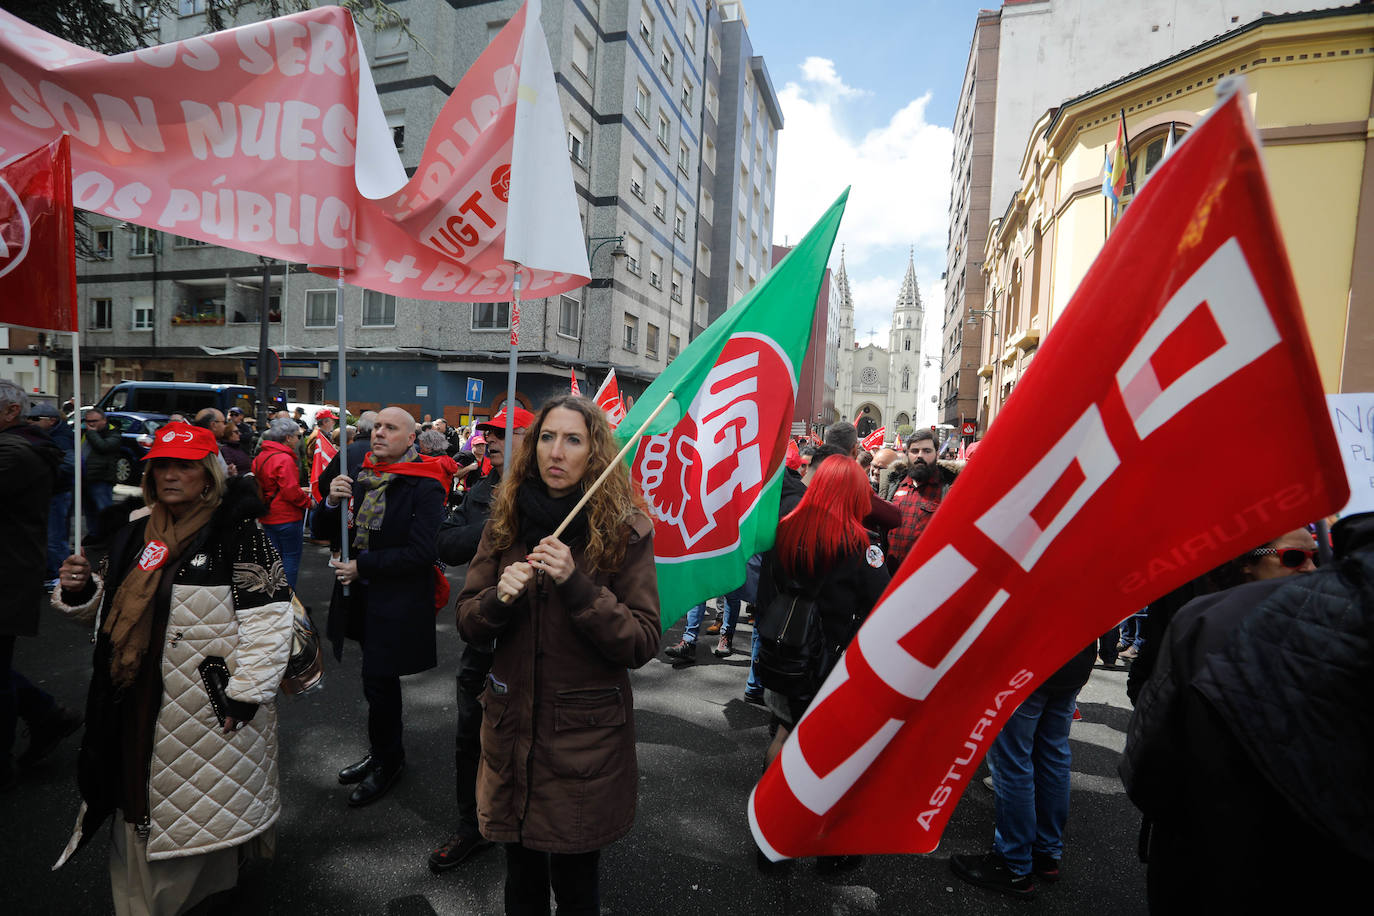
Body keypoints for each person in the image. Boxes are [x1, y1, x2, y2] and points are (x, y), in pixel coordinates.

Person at [50, 422, 293, 915]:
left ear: (209, 475)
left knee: (202, 806)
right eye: (161, 465)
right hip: (130, 695)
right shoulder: (135, 531)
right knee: (134, 796)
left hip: (203, 705)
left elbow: (270, 621)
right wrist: (80, 593)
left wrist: (245, 693)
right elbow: (111, 620)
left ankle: (199, 890)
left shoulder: (241, 534)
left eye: (184, 465)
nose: (170, 475)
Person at [457, 395, 660, 915]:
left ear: (594, 450)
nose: (557, 451)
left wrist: (578, 586)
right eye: (547, 437)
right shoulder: (505, 519)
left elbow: (640, 641)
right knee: (520, 877)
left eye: (573, 439)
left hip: (582, 744)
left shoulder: (625, 529)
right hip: (510, 732)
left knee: (574, 882)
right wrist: (498, 600)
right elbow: (468, 622)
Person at [1119, 522, 1353, 912]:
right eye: (1294, 558)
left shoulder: (1337, 630)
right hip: (1201, 847)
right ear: (1248, 563)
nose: (1311, 570)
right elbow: (1147, 752)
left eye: (1317, 559)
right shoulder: (1196, 613)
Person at [752, 454, 890, 874]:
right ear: (855, 494)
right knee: (833, 752)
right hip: (833, 664)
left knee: (783, 731)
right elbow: (882, 605)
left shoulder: (784, 529)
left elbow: (765, 595)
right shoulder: (863, 545)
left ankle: (770, 831)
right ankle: (832, 847)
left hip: (785, 653)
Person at [315, 407, 445, 807]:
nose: (378, 434)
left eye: (391, 428)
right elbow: (323, 532)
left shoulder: (426, 485)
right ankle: (383, 750)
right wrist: (332, 504)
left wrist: (363, 565)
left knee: (380, 680)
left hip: (396, 601)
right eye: (377, 427)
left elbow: (423, 552)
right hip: (361, 597)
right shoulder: (359, 475)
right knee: (376, 683)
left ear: (411, 440)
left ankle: (390, 760)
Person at [427, 406, 533, 873]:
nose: (488, 439)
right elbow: (445, 544)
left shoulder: (555, 496)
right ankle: (471, 825)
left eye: (502, 433)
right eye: (487, 431)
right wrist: (495, 526)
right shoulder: (483, 490)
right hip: (481, 642)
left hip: (531, 650)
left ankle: (525, 824)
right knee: (471, 737)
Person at [949, 641, 1096, 898]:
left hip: (1025, 660)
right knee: (1053, 755)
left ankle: (1012, 862)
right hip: (1074, 655)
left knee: (1012, 764)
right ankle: (1046, 852)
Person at [1, 381, 82, 790]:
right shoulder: (22, 447)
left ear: (10, 413)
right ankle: (45, 713)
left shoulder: (12, 451)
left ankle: (43, 717)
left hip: (7, 574)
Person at [886, 429, 961, 569]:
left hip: (927, 574)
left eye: (927, 451)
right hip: (890, 575)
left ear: (937, 454)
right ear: (907, 453)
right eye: (915, 451)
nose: (920, 456)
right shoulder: (894, 483)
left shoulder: (949, 488)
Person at [252, 417, 311, 590]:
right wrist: (308, 502)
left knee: (274, 560)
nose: (298, 439)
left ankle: (275, 595)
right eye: (297, 436)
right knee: (291, 558)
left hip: (267, 514)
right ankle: (288, 596)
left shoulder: (261, 457)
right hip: (286, 516)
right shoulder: (285, 459)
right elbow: (290, 492)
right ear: (288, 438)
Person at [29, 401, 75, 587]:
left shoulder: (61, 439)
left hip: (58, 493)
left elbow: (69, 465)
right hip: (56, 491)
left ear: (52, 420)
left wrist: (44, 474)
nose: (30, 422)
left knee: (55, 537)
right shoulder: (52, 434)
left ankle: (59, 576)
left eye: (35, 419)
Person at [82, 408, 122, 538]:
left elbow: (103, 447)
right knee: (89, 512)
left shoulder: (113, 434)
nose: (90, 424)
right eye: (87, 421)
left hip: (101, 479)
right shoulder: (85, 433)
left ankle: (109, 538)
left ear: (104, 420)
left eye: (94, 421)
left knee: (104, 511)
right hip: (86, 478)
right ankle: (94, 537)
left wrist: (92, 434)